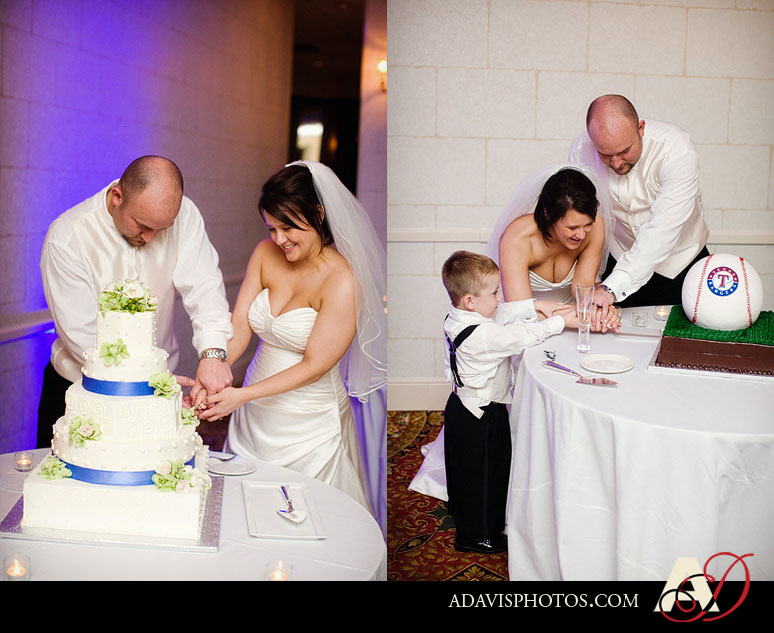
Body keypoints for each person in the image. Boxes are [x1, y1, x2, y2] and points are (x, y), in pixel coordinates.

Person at [196, 161, 386, 516]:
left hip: (308, 422)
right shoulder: (265, 254)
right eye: (272, 228)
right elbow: (240, 325)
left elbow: (315, 366)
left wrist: (243, 395)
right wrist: (215, 372)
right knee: (246, 508)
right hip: (254, 412)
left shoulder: (342, 280)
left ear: (317, 214)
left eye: (288, 227)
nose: (279, 239)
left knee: (307, 513)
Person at [38, 155, 233, 448]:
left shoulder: (185, 215)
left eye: (162, 228)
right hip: (83, 392)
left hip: (160, 394)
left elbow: (204, 287)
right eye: (142, 225)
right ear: (117, 196)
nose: (151, 237)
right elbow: (84, 337)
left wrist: (213, 355)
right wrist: (154, 388)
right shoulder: (67, 237)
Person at [439, 250, 576, 553]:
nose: (500, 297)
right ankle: (477, 535)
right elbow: (522, 336)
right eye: (494, 292)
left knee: (465, 469)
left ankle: (468, 518)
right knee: (488, 472)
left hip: (462, 406)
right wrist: (558, 321)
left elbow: (505, 313)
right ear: (470, 301)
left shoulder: (460, 317)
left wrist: (536, 304)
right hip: (482, 411)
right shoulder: (482, 335)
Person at [568, 94, 710, 314]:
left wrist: (612, 287)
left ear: (641, 128)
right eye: (605, 154)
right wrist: (596, 277)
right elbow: (590, 218)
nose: (615, 163)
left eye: (624, 151)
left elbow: (663, 229)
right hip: (618, 259)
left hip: (682, 265)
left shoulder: (677, 149)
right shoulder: (581, 151)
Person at [487, 164, 621, 332]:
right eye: (572, 228)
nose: (581, 235)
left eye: (587, 225)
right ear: (548, 214)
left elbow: (584, 285)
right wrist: (579, 315)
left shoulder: (595, 227)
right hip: (529, 326)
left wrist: (598, 310)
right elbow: (521, 311)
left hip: (574, 322)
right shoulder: (518, 239)